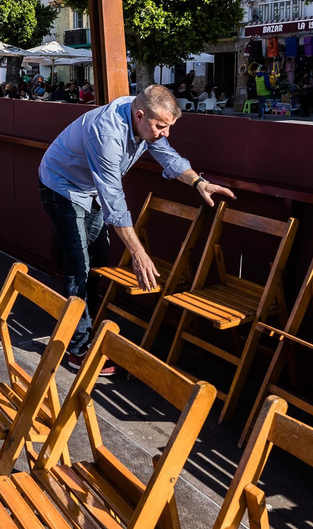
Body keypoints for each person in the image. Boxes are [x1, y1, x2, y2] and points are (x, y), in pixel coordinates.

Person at [38, 84, 234, 373]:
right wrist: (138, 253)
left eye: (169, 126)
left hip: (89, 189)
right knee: (79, 265)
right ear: (140, 115)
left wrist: (197, 182)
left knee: (98, 260)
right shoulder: (108, 134)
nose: (165, 133)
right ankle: (77, 349)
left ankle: (81, 327)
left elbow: (167, 154)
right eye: (161, 126)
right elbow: (113, 200)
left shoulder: (144, 116)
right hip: (61, 187)